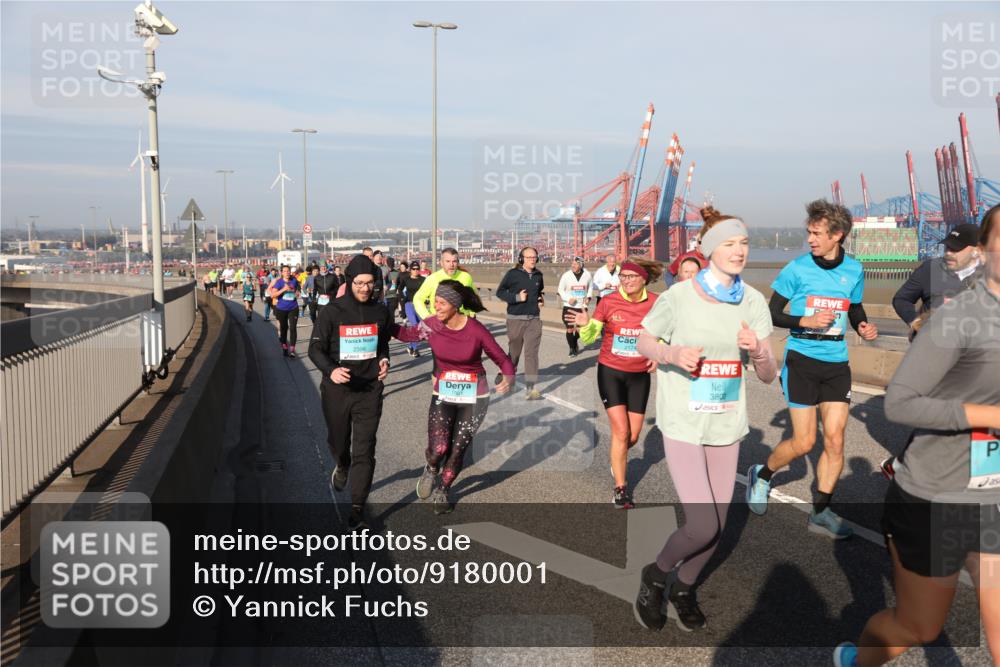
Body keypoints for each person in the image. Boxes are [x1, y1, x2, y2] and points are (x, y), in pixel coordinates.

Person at [834, 205, 1000, 667]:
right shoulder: (957, 318)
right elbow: (899, 403)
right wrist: (987, 414)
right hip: (938, 497)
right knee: (917, 627)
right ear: (985, 251)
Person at [633, 207, 777, 632]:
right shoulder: (678, 296)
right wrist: (672, 354)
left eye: (745, 243)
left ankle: (684, 587)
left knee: (718, 527)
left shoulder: (753, 301)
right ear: (710, 249)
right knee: (702, 524)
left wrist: (759, 352)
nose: (739, 251)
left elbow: (769, 374)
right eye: (730, 243)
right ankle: (656, 575)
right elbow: (644, 340)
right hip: (683, 422)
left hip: (727, 424)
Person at [746, 199, 878, 539]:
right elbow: (770, 313)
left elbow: (855, 307)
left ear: (838, 235)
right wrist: (804, 320)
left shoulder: (854, 269)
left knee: (835, 441)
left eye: (817, 233)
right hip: (802, 362)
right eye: (809, 232)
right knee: (804, 442)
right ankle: (762, 475)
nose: (810, 239)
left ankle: (821, 512)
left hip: (837, 364)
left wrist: (862, 326)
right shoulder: (797, 268)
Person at [393, 280, 514, 514]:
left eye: (441, 303)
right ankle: (431, 468)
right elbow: (408, 334)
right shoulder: (432, 325)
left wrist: (508, 377)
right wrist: (381, 322)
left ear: (455, 305)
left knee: (458, 449)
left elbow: (501, 357)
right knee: (439, 448)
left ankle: (444, 489)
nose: (435, 307)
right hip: (444, 393)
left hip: (474, 397)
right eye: (434, 301)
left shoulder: (475, 330)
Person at [308, 254, 393, 530]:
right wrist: (331, 369)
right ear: (349, 281)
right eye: (360, 283)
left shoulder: (381, 312)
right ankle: (341, 465)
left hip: (369, 389)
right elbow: (314, 349)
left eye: (370, 283)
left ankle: (357, 508)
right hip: (337, 390)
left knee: (365, 449)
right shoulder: (332, 311)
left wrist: (384, 359)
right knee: (338, 442)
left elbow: (382, 344)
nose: (365, 288)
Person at [574, 257, 662, 509]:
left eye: (632, 276)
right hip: (611, 371)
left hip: (639, 375)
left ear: (643, 278)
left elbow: (664, 332)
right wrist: (585, 325)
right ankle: (620, 489)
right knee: (621, 432)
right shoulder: (610, 301)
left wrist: (658, 353)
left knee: (631, 436)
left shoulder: (656, 303)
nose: (627, 281)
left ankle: (618, 457)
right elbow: (592, 335)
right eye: (623, 277)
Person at [892, 223, 983, 339]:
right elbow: (901, 299)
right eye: (947, 247)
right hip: (929, 348)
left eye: (956, 249)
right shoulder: (930, 269)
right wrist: (915, 321)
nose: (948, 253)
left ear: (976, 251)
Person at [496, 247, 545, 400]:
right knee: (514, 353)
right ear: (521, 259)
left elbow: (540, 291)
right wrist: (517, 297)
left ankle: (531, 388)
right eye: (529, 257)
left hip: (534, 319)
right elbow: (500, 292)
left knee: (531, 353)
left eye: (534, 257)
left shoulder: (538, 275)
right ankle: (505, 373)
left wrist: (540, 300)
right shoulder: (513, 274)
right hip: (515, 319)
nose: (532, 260)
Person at [413, 248, 477, 320]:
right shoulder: (433, 278)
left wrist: (472, 313)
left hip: (462, 321)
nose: (451, 265)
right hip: (440, 323)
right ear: (441, 263)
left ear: (458, 262)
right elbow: (418, 298)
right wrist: (426, 316)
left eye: (454, 261)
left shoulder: (466, 277)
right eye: (448, 261)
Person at [558, 256, 593, 357]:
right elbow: (560, 289)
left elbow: (590, 287)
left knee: (579, 329)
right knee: (569, 329)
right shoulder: (566, 275)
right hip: (569, 305)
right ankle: (572, 348)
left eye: (576, 264)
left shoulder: (587, 275)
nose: (573, 265)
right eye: (572, 263)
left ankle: (574, 341)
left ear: (581, 265)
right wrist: (568, 298)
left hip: (581, 306)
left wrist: (589, 297)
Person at [269, 265, 301, 358]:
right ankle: (284, 346)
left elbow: (297, 290)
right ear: (282, 273)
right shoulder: (279, 282)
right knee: (283, 328)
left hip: (293, 308)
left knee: (293, 328)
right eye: (285, 271)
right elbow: (272, 295)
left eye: (288, 271)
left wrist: (296, 293)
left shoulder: (294, 280)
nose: (287, 273)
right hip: (281, 309)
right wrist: (283, 289)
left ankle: (292, 350)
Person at [399, 261, 426, 357]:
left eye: (417, 269)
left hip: (420, 305)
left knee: (423, 326)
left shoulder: (423, 279)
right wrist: (403, 298)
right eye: (413, 269)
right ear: (410, 270)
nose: (415, 271)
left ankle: (411, 346)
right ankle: (415, 350)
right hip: (409, 304)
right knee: (415, 325)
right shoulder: (406, 279)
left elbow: (428, 291)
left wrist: (427, 299)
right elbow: (400, 289)